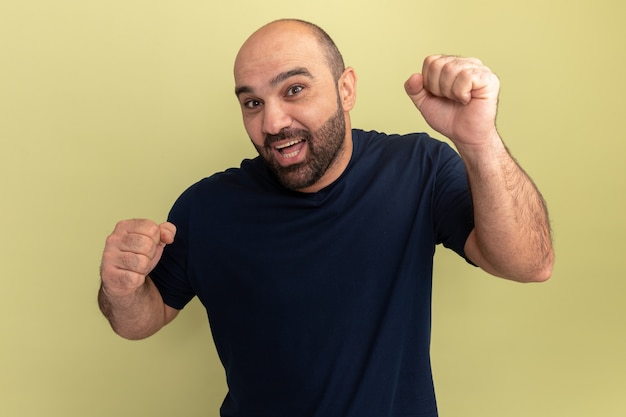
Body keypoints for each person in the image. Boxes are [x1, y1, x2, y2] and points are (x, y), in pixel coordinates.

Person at [98, 18, 554, 417]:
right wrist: (121, 289)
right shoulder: (205, 207)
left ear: (345, 88)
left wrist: (478, 141)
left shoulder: (418, 168)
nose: (273, 122)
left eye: (294, 89)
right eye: (252, 103)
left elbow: (529, 264)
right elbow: (142, 319)